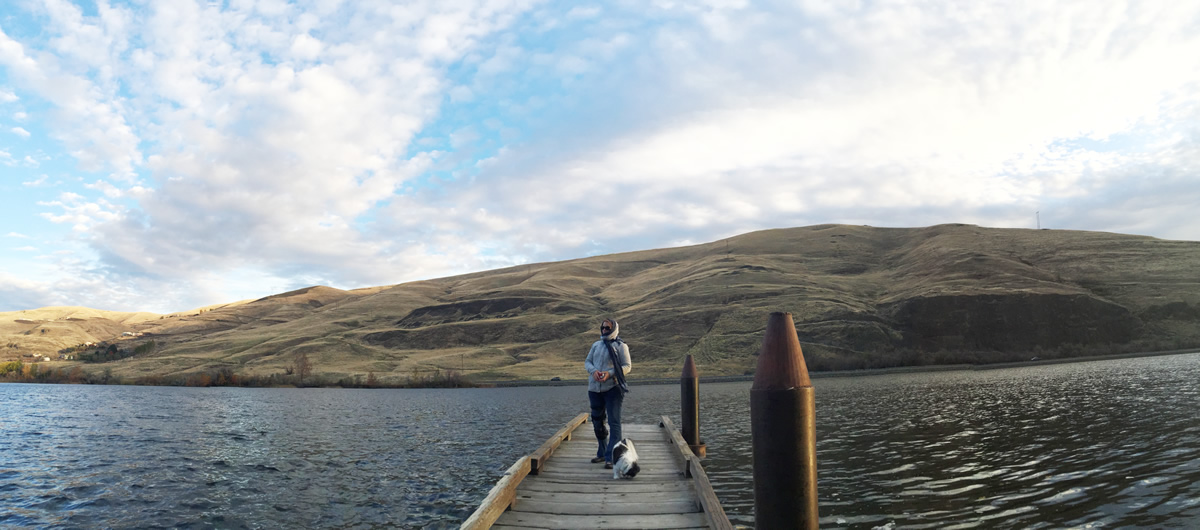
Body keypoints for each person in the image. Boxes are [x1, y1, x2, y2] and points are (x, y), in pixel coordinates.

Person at [585, 318, 631, 468]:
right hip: (594, 388)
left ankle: (612, 456)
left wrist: (609, 374)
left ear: (614, 329)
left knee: (614, 422)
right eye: (603, 328)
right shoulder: (596, 345)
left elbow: (627, 366)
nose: (604, 330)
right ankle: (602, 451)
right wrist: (594, 371)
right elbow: (587, 362)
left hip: (613, 388)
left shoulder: (621, 346)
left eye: (607, 328)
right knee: (597, 421)